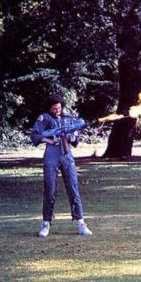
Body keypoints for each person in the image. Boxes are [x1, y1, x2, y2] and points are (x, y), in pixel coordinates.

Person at [31, 94, 92, 237]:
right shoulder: (44, 118)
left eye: (58, 107)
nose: (57, 110)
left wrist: (72, 134)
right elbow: (35, 135)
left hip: (67, 156)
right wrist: (49, 140)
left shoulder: (70, 119)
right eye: (54, 108)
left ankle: (80, 223)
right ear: (49, 108)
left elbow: (76, 142)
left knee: (73, 189)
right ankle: (46, 224)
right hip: (51, 156)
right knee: (50, 190)